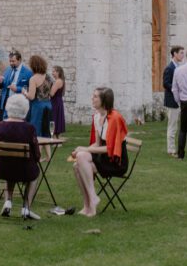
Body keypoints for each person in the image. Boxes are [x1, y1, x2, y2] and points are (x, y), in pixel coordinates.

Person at [69, 87, 128, 217]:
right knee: (77, 163)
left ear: (104, 101)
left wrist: (85, 149)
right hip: (104, 157)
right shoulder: (97, 116)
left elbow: (109, 149)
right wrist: (81, 150)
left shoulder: (114, 118)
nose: (92, 98)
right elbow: (97, 144)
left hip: (116, 161)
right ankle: (88, 205)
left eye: (95, 96)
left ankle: (92, 200)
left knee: (81, 158)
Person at [0, 92, 42, 220]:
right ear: (25, 109)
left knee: (9, 166)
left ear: (8, 107)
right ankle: (26, 208)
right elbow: (36, 154)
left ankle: (8, 202)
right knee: (34, 173)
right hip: (25, 171)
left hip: (3, 170)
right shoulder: (29, 128)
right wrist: (37, 159)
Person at [0, 50, 32, 121]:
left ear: (19, 60)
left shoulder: (28, 72)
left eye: (13, 61)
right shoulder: (8, 70)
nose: (11, 63)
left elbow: (30, 90)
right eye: (10, 61)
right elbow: (2, 86)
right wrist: (0, 82)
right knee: (6, 123)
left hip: (19, 104)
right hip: (7, 103)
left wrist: (17, 89)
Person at [162, 46, 184, 156]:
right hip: (172, 101)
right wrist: (176, 88)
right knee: (172, 126)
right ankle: (171, 149)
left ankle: (177, 148)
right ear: (174, 54)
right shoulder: (169, 68)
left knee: (177, 125)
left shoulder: (179, 67)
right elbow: (165, 83)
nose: (182, 55)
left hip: (179, 100)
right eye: (181, 53)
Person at [24, 55, 52, 137]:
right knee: (47, 130)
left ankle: (36, 145)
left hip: (37, 106)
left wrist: (24, 92)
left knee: (36, 130)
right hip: (48, 105)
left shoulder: (33, 79)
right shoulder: (48, 77)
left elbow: (31, 96)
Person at [50, 66, 66, 137]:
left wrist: (46, 90)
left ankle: (53, 136)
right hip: (58, 101)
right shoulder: (61, 80)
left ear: (58, 72)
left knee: (53, 118)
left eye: (54, 71)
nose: (52, 73)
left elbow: (51, 93)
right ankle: (56, 137)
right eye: (52, 71)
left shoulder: (58, 81)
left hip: (55, 102)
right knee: (56, 118)